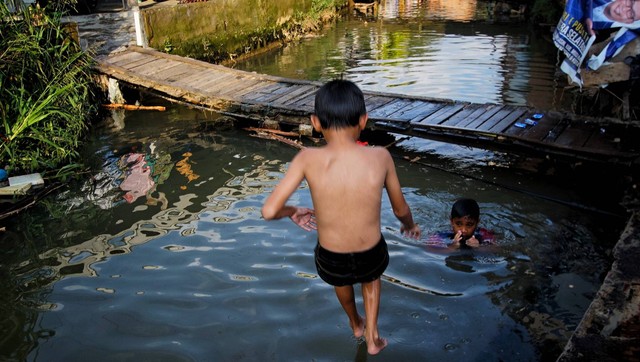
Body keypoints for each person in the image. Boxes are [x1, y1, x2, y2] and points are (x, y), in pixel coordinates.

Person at [261, 79, 420, 355]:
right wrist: (410, 225)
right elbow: (399, 209)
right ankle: (373, 336)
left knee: (341, 281)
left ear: (315, 122)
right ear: (363, 120)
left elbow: (269, 210)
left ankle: (355, 323)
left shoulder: (306, 158)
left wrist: (293, 211)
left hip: (331, 255)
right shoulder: (381, 156)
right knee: (371, 278)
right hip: (371, 250)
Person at [425, 198, 495, 249]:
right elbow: (430, 250)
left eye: (469, 225)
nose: (463, 230)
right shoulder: (442, 235)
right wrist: (452, 247)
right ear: (452, 222)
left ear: (477, 223)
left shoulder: (483, 234)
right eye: (458, 224)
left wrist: (478, 247)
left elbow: (497, 250)